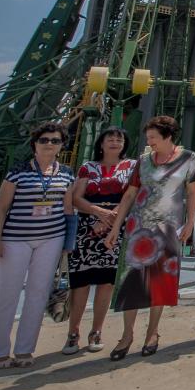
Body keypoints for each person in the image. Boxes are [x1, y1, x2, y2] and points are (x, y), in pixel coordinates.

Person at [104, 115, 195, 360]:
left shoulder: (188, 158)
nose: (149, 142)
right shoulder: (143, 161)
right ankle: (127, 335)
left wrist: (190, 221)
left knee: (160, 282)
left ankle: (153, 332)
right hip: (138, 228)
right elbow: (129, 195)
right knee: (131, 282)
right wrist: (116, 226)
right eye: (148, 138)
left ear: (168, 137)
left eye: (153, 138)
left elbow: (192, 192)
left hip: (169, 228)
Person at [0, 122, 75, 369]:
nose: (49, 144)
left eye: (55, 141)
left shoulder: (67, 173)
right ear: (35, 143)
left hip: (51, 239)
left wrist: (68, 244)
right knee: (7, 294)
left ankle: (25, 350)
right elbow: (1, 209)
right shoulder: (17, 172)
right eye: (44, 140)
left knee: (37, 294)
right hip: (15, 239)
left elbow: (68, 210)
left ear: (61, 145)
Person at [62, 126, 136, 355]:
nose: (115, 142)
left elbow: (130, 196)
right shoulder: (88, 167)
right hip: (87, 229)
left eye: (119, 138)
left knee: (106, 283)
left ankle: (96, 331)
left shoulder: (132, 167)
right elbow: (76, 197)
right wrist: (97, 212)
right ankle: (73, 333)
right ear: (101, 143)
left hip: (116, 228)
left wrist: (111, 218)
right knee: (80, 283)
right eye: (110, 138)